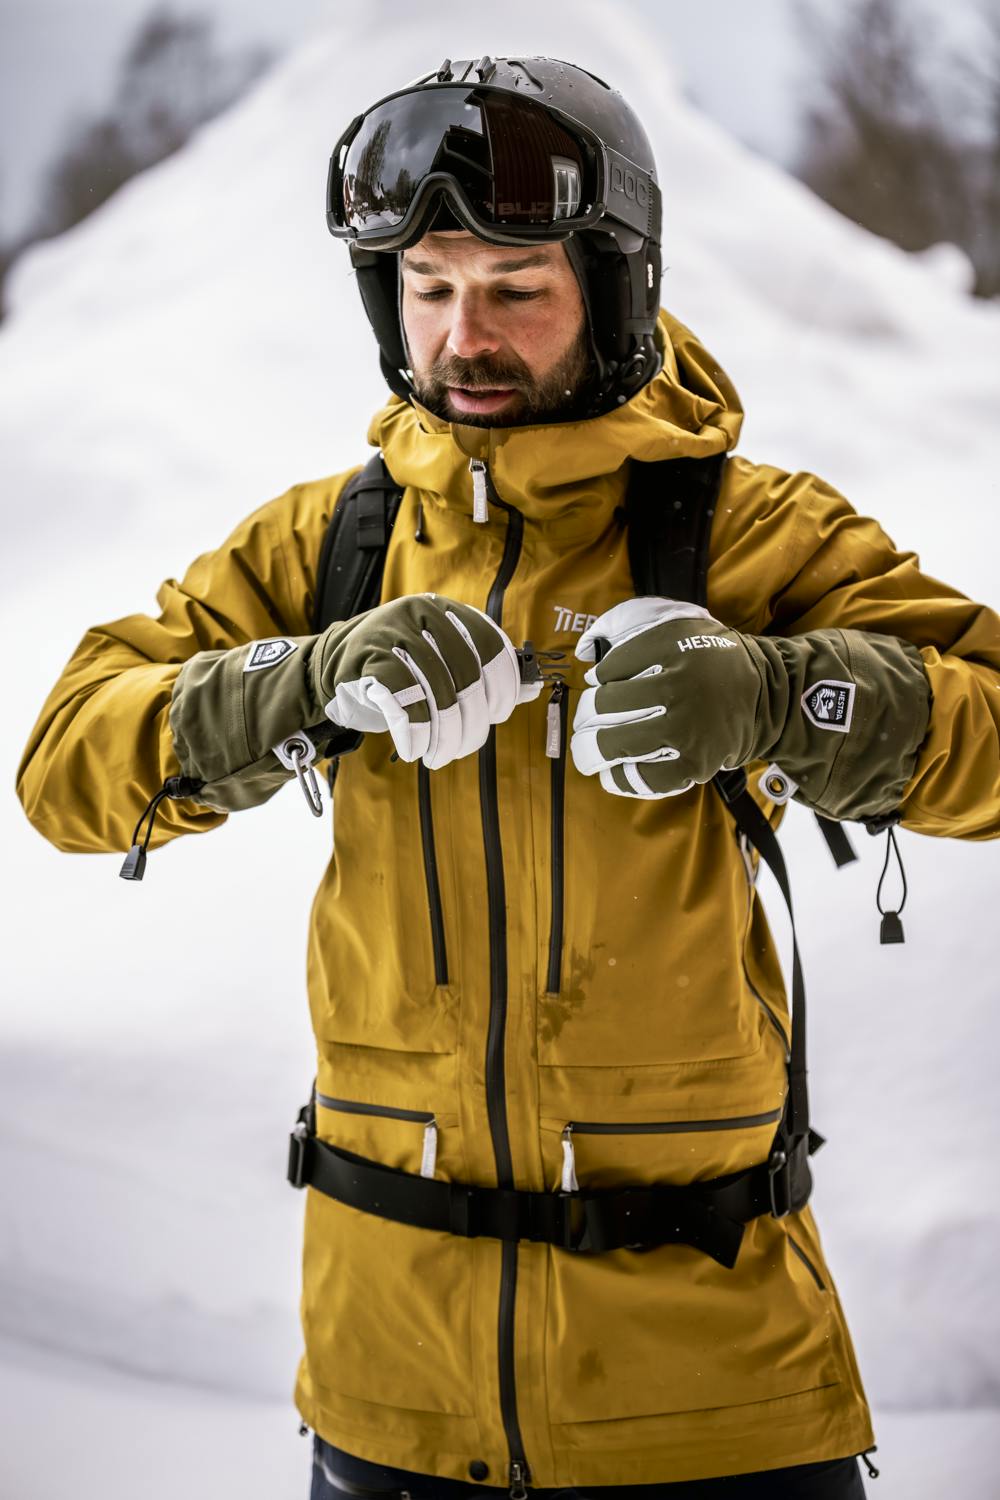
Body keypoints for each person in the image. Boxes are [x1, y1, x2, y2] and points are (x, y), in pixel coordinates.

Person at [16, 54, 1000, 1500]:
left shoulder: (746, 532)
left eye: (516, 288)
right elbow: (66, 765)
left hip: (714, 1410)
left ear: (614, 288)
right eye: (428, 286)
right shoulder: (332, 542)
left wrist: (783, 695)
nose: (463, 334)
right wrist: (298, 684)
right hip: (385, 1400)